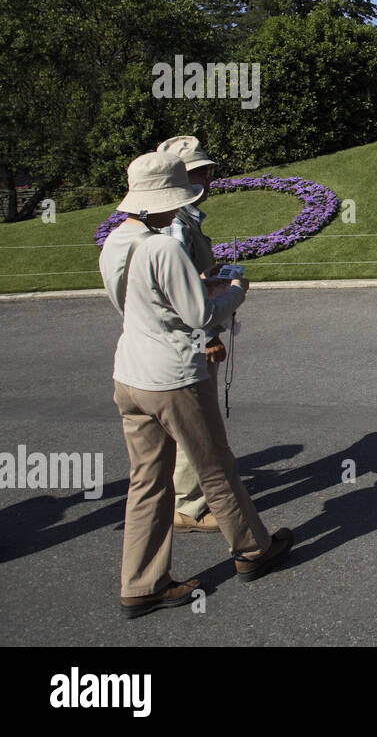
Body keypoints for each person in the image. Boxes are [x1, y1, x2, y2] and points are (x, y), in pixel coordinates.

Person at [98, 152, 292, 618]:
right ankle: (251, 548)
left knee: (146, 479)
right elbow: (200, 315)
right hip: (172, 376)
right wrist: (237, 291)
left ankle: (141, 581)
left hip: (129, 371)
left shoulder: (116, 242)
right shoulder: (162, 245)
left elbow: (139, 303)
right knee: (215, 466)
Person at [155, 135, 229, 530]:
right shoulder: (176, 226)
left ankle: (189, 495)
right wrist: (209, 335)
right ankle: (190, 505)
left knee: (189, 421)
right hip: (187, 340)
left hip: (176, 337)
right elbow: (177, 294)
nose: (208, 181)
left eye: (208, 172)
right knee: (193, 420)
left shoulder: (182, 219)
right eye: (199, 173)